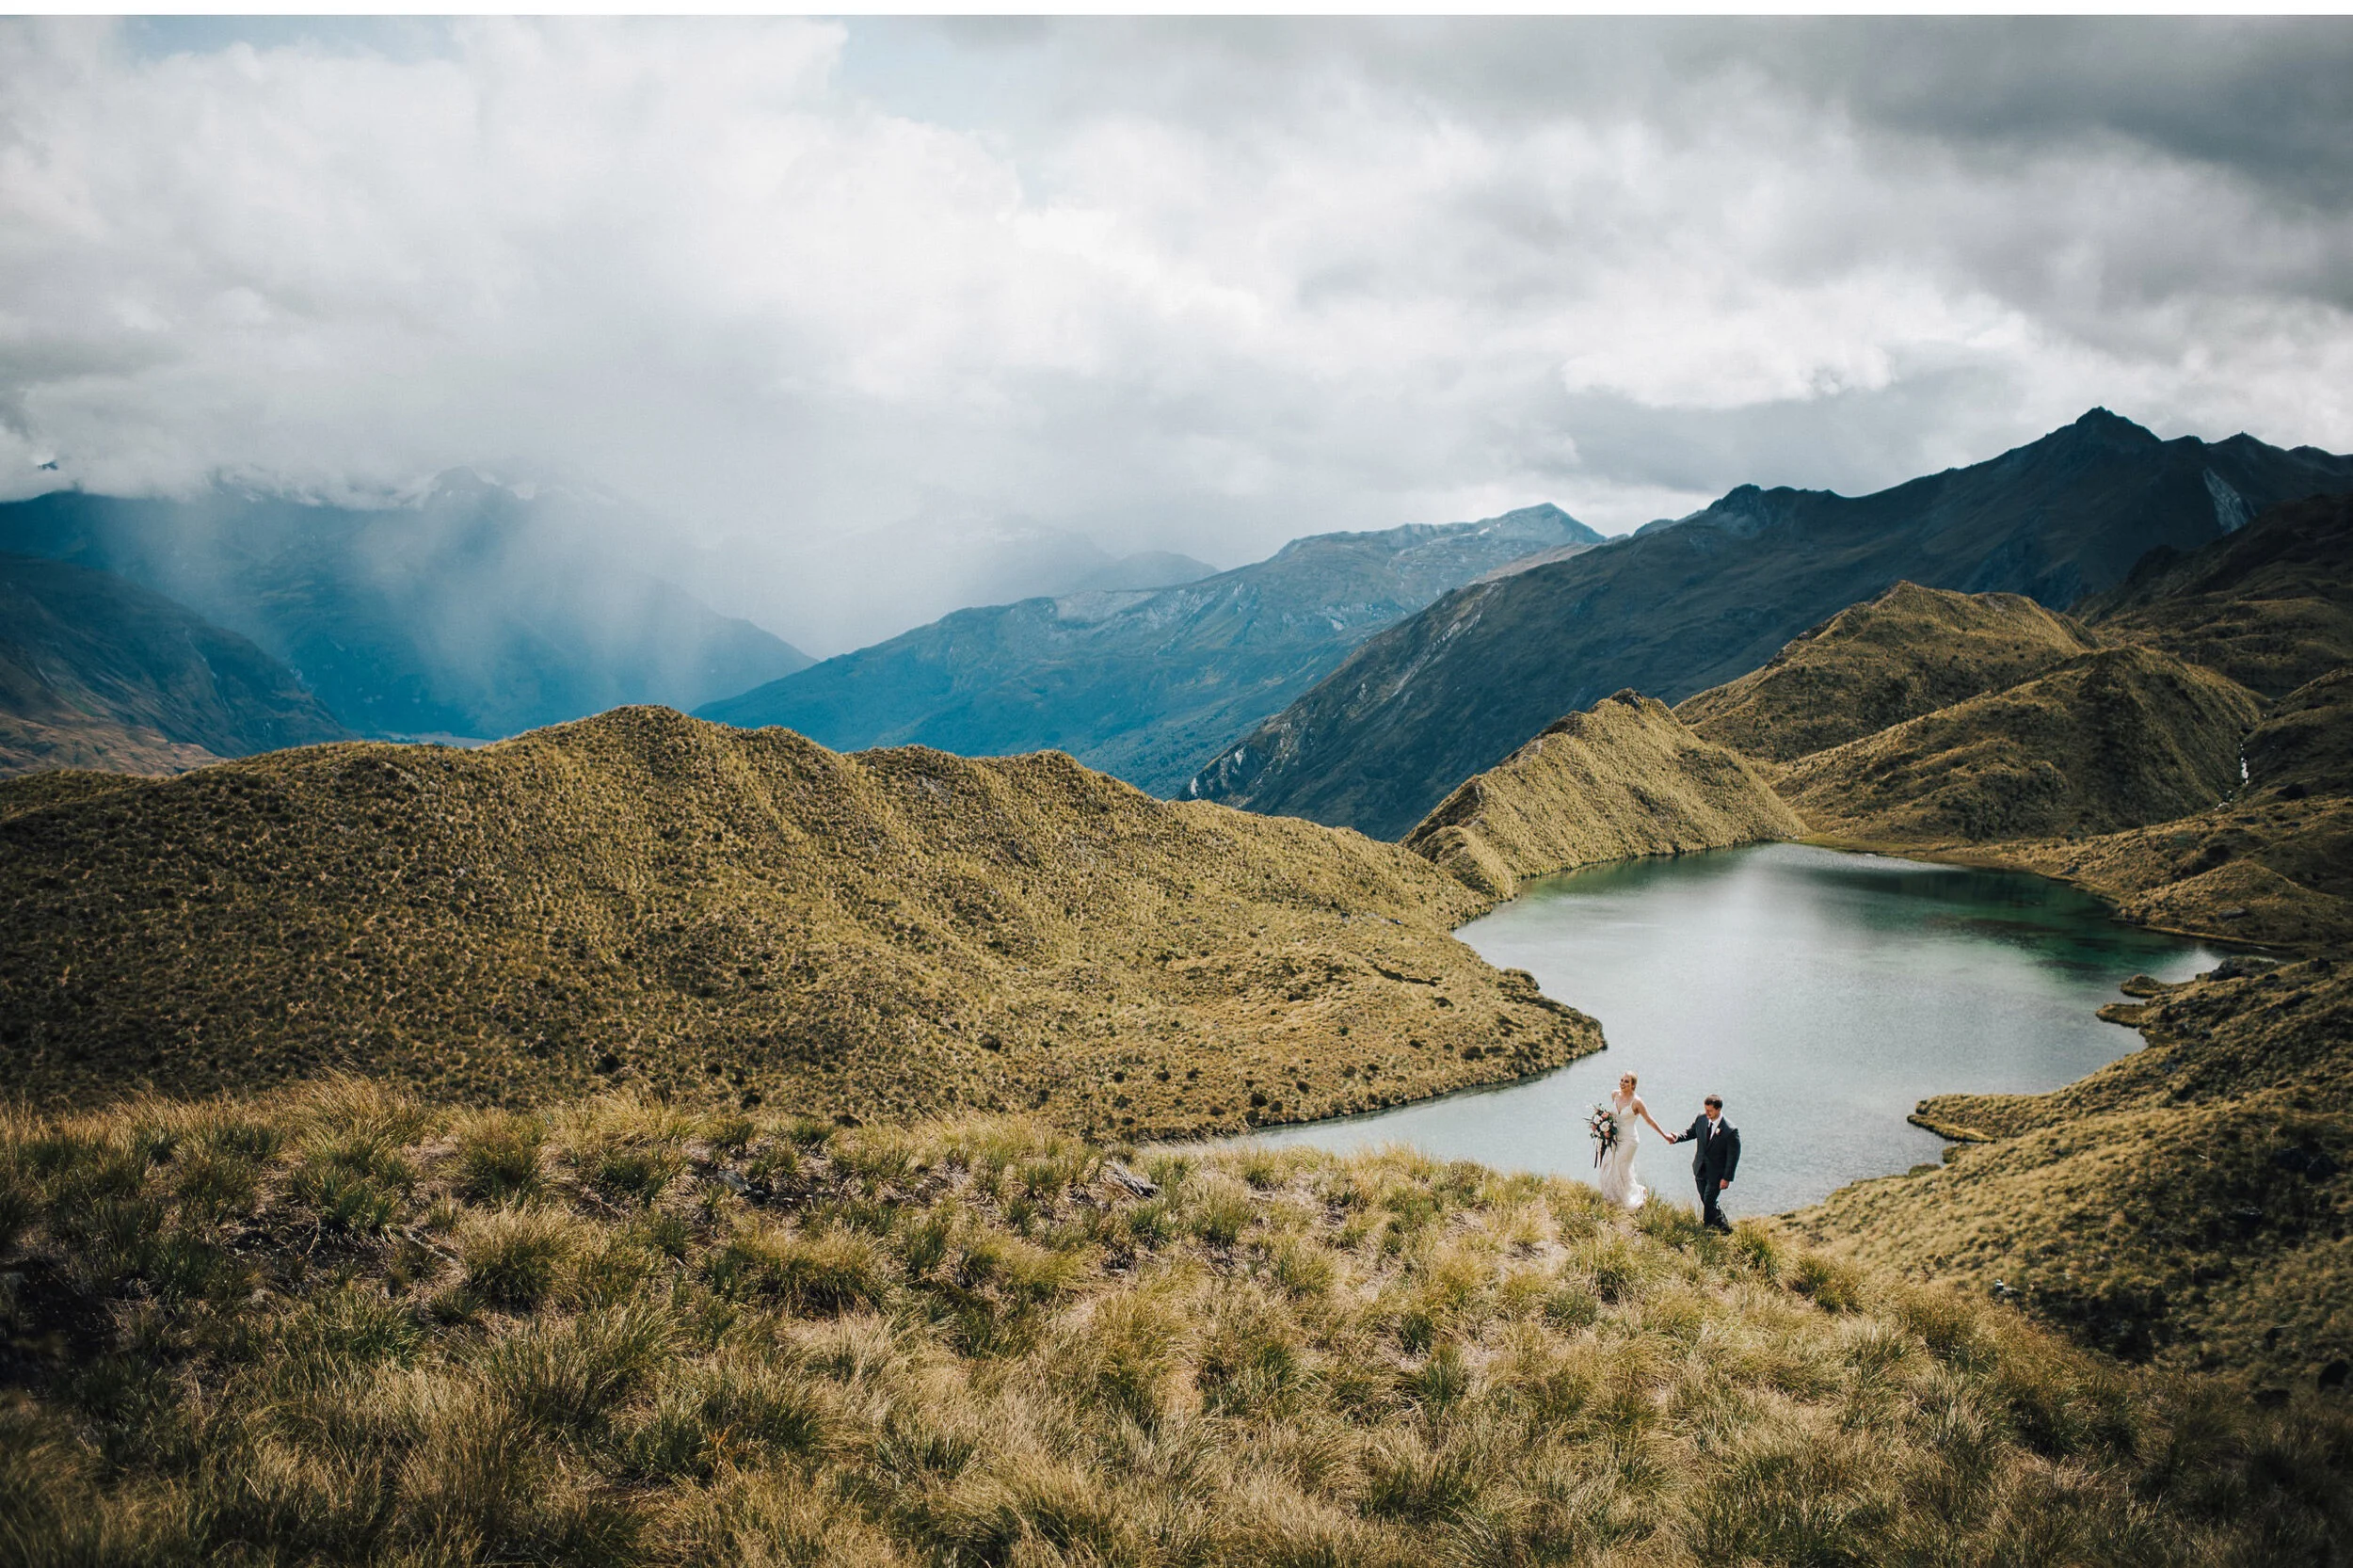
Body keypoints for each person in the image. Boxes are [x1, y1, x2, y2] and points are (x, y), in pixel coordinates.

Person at [1596, 1071, 1674, 1212]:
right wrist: (1602, 1127)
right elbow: (1611, 1117)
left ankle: (1634, 1197)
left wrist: (1665, 1135)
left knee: (1620, 1166)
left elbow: (1649, 1120)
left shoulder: (1637, 1102)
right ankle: (1613, 1199)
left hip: (1629, 1140)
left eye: (1626, 1081)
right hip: (1614, 1138)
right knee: (1607, 1165)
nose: (1622, 1083)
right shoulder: (1614, 1094)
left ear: (1633, 1085)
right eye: (1621, 1080)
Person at [1667, 1094, 1740, 1231]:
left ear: (1718, 1109)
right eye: (1705, 1109)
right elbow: (1690, 1133)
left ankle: (1707, 1230)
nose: (1707, 1113)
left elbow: (1733, 1157)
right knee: (1707, 1201)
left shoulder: (1730, 1130)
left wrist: (1727, 1178)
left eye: (1710, 1111)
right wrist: (1676, 1137)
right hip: (1699, 1168)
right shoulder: (1701, 1118)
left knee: (1709, 1201)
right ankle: (1724, 1227)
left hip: (1716, 1174)